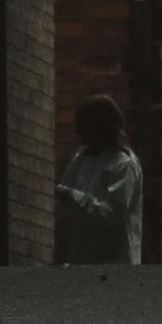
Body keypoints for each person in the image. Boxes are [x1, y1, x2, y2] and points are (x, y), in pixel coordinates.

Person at [55, 94, 145, 265]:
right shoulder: (81, 160)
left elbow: (113, 214)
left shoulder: (124, 163)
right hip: (81, 263)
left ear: (100, 125)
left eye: (83, 123)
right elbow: (62, 208)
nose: (77, 130)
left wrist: (74, 197)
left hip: (115, 264)